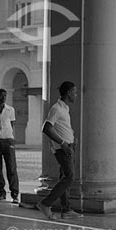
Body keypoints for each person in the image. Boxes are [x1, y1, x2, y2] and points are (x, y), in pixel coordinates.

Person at [36, 81, 82, 220]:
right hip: (63, 149)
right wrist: (62, 143)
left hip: (68, 147)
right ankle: (45, 204)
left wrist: (72, 138)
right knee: (69, 178)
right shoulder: (56, 108)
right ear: (68, 93)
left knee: (65, 178)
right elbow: (47, 128)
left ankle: (66, 209)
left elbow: (61, 127)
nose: (76, 94)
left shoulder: (65, 108)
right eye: (74, 92)